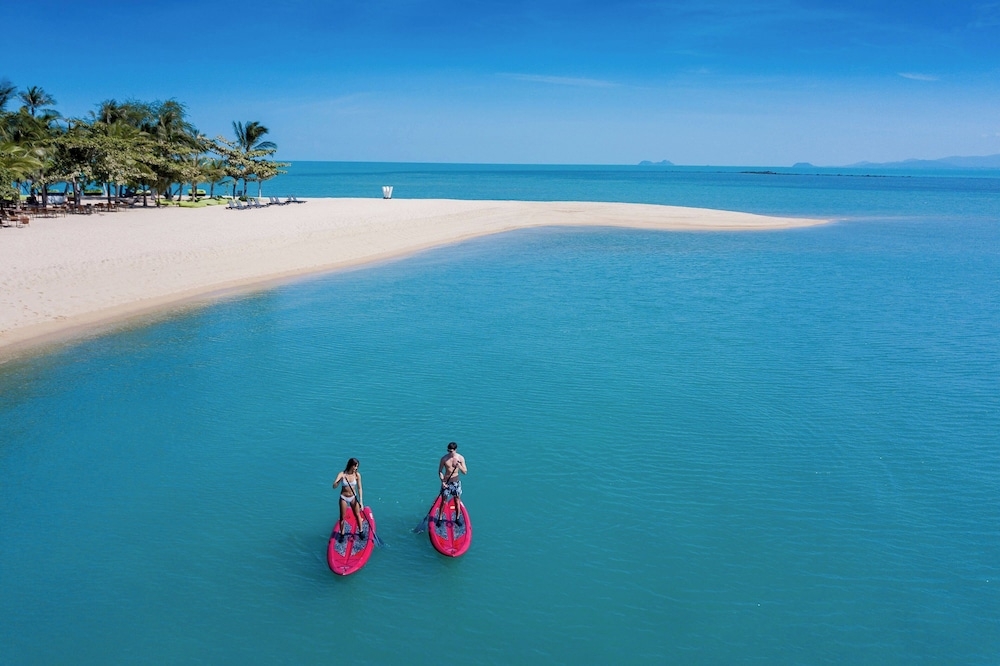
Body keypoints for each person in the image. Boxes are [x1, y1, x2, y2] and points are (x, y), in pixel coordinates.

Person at [332, 458, 365, 539]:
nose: (356, 468)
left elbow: (360, 488)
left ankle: (361, 531)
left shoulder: (357, 475)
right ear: (351, 465)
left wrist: (361, 501)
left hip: (353, 497)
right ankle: (342, 534)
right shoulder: (342, 474)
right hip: (343, 497)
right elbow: (334, 486)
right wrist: (339, 481)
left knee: (357, 514)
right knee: (342, 517)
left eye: (357, 466)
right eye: (355, 466)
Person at [438, 442, 468, 523]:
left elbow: (465, 472)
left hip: (456, 483)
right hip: (446, 482)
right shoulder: (444, 459)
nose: (449, 453)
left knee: (457, 500)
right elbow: (440, 471)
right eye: (448, 451)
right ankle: (440, 518)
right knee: (443, 501)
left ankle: (457, 518)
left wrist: (459, 466)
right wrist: (442, 482)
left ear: (455, 450)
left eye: (451, 451)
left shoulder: (460, 458)